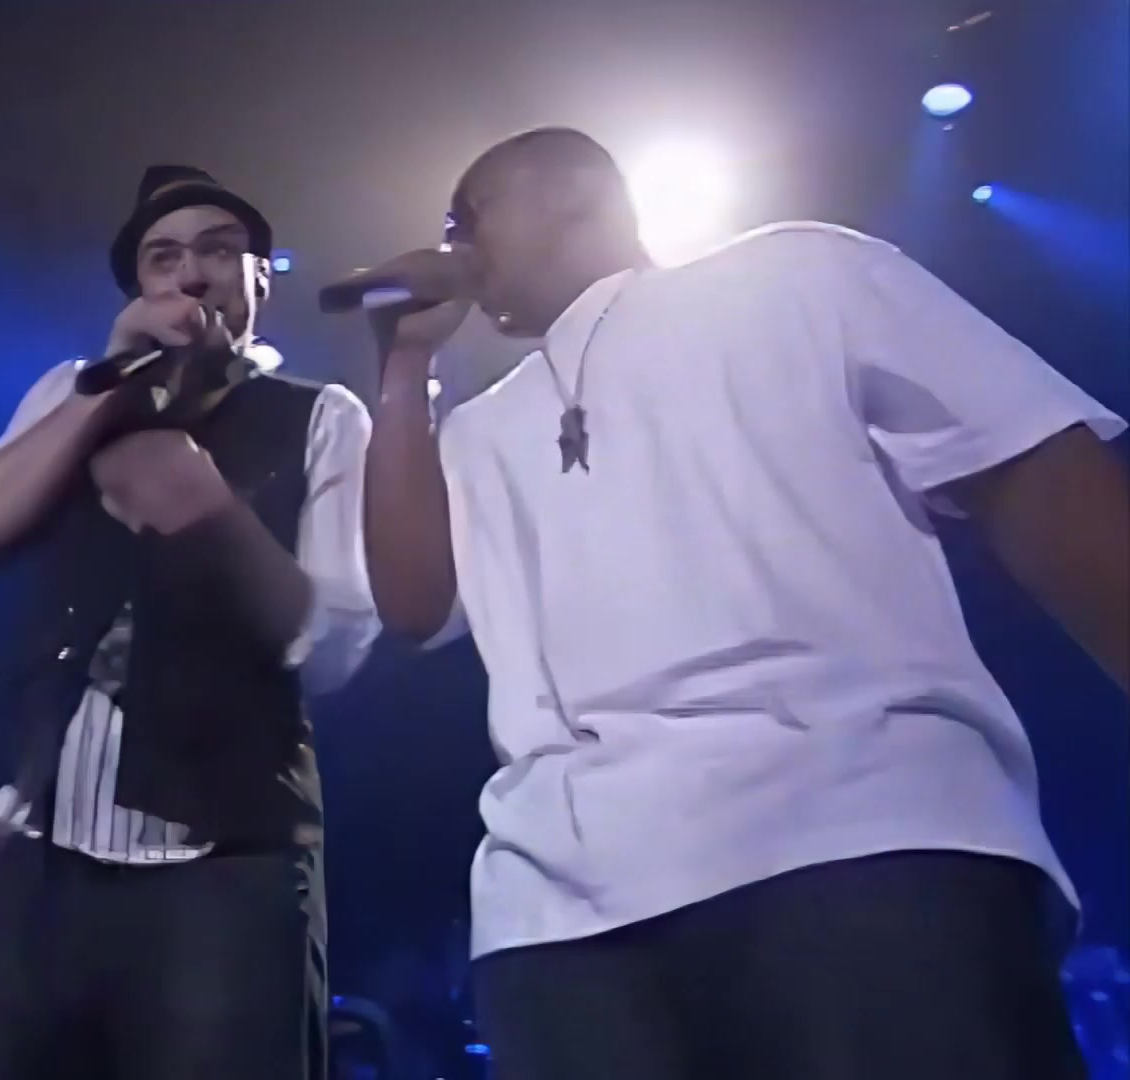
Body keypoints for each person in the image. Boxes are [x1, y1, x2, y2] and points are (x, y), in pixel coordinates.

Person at [351, 127, 1129, 1079]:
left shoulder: (799, 273)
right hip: (561, 914)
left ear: (574, 194)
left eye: (468, 216)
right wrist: (403, 369)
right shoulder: (477, 429)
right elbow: (414, 605)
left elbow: (1034, 468)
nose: (454, 245)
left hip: (865, 836)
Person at [0, 165, 379, 1079]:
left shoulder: (321, 416)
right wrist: (105, 388)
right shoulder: (74, 390)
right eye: (163, 257)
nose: (191, 274)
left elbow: (335, 647)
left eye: (218, 251)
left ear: (261, 279)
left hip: (227, 862)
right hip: (45, 851)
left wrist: (206, 512)